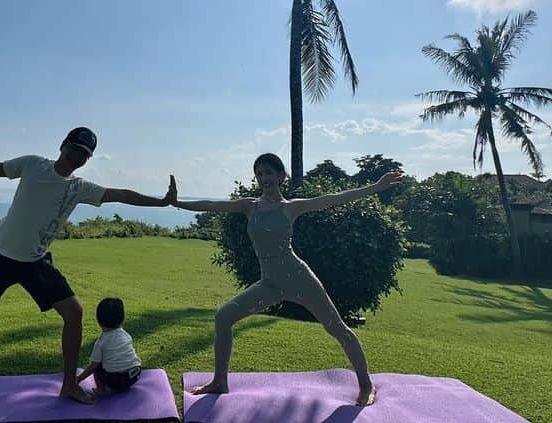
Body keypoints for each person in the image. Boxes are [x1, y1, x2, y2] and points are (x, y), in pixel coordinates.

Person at [0, 127, 173, 407]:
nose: (78, 157)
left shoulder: (79, 188)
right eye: (74, 149)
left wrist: (160, 202)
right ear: (63, 146)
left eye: (84, 155)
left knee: (74, 312)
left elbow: (120, 194)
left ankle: (69, 385)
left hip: (35, 262)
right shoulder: (33, 164)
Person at [172, 153, 402, 406]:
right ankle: (219, 382)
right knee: (223, 317)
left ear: (281, 176)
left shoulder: (290, 207)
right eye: (259, 173)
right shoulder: (250, 206)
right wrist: (177, 203)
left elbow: (335, 199)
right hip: (269, 284)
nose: (263, 178)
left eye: (268, 172)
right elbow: (212, 205)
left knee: (337, 328)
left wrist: (377, 187)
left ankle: (366, 385)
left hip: (299, 278)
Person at [75, 297, 142, 395]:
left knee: (97, 367)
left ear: (99, 321)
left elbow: (93, 366)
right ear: (122, 319)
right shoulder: (126, 335)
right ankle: (123, 384)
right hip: (135, 374)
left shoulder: (101, 342)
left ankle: (100, 389)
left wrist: (79, 379)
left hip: (116, 380)